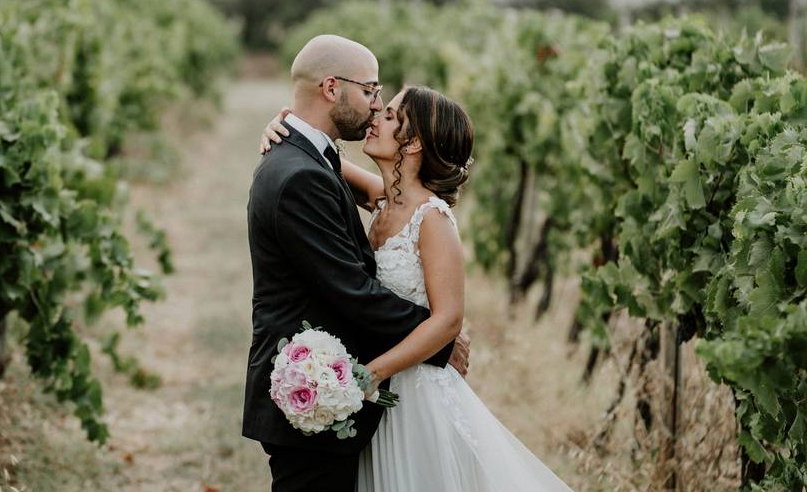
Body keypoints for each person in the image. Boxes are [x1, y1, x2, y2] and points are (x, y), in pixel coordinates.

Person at [261, 85, 575, 491]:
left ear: (413, 145)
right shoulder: (385, 200)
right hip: (382, 397)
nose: (376, 118)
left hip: (414, 392)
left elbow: (448, 321)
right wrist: (281, 126)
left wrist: (371, 375)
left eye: (390, 116)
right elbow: (318, 158)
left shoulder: (432, 218)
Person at [243, 34, 470, 492]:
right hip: (317, 389)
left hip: (361, 393)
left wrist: (288, 125)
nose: (376, 106)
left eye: (388, 108)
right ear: (331, 88)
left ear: (414, 144)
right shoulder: (301, 175)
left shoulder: (323, 167)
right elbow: (353, 292)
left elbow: (401, 199)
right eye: (371, 92)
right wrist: (440, 340)